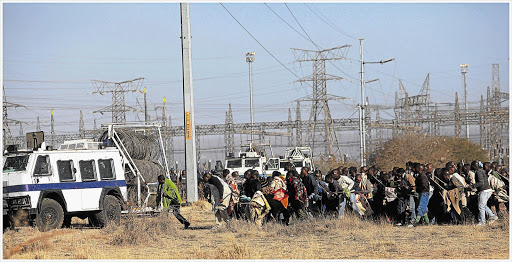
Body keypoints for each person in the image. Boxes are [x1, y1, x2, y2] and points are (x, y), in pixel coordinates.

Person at [471, 161, 498, 225]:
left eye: (472, 165)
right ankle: (492, 216)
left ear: (474, 166)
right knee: (483, 205)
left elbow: (481, 182)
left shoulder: (478, 172)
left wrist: (473, 186)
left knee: (481, 207)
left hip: (484, 191)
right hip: (487, 190)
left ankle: (482, 222)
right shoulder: (482, 171)